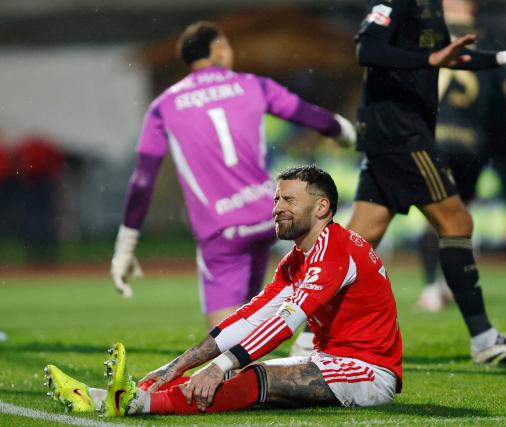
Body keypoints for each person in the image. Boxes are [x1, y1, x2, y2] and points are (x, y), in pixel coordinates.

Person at [46, 165, 402, 416]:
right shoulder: (295, 261)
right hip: (327, 360)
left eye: (289, 201)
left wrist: (218, 366)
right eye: (277, 200)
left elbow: (285, 324)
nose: (277, 209)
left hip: (368, 371)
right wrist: (178, 365)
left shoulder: (336, 249)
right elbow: (251, 316)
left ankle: (138, 404)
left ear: (322, 207)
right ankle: (97, 397)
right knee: (235, 374)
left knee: (254, 376)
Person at [341, 0, 506, 364]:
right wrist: (430, 61)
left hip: (393, 135)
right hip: (402, 135)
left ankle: (309, 338)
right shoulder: (395, 4)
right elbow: (366, 49)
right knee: (456, 222)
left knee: (357, 243)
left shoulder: (428, 11)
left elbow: (449, 60)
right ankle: (484, 339)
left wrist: (504, 58)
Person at [110, 22, 356, 329]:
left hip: (221, 227)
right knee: (254, 313)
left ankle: (248, 365)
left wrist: (126, 246)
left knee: (224, 339)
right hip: (265, 216)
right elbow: (306, 113)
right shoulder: (253, 84)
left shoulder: (164, 105)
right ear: (217, 50)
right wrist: (344, 131)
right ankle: (304, 344)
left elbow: (143, 180)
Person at [416, 0, 506, 312]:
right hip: (472, 143)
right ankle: (447, 285)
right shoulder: (488, 37)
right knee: (459, 215)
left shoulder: (424, 32)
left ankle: (430, 286)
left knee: (436, 213)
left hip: (432, 136)